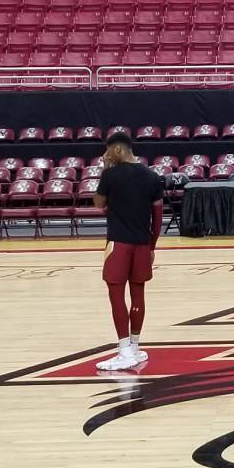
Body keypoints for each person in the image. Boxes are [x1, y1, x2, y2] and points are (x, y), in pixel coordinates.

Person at [92, 132, 165, 374]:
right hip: (143, 244)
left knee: (115, 295)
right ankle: (134, 346)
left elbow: (98, 203)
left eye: (108, 151)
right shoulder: (153, 177)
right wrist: (152, 247)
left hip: (118, 244)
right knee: (138, 294)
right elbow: (157, 218)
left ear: (119, 150)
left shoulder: (110, 174)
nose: (106, 155)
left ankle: (124, 351)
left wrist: (105, 168)